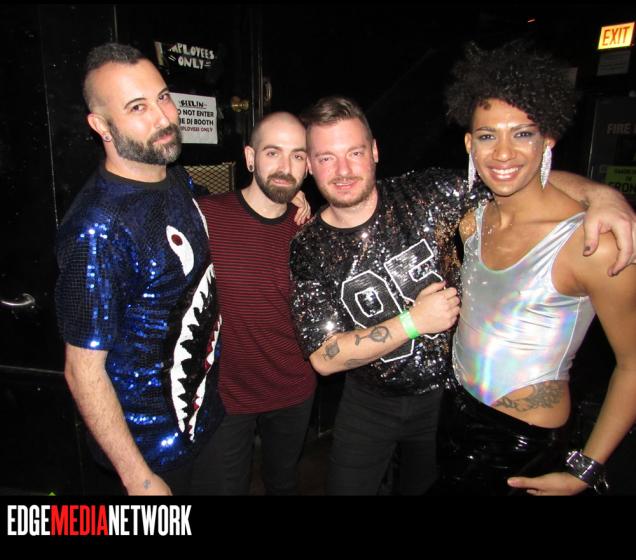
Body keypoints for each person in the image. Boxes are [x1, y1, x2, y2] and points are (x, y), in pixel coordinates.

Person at [290, 95, 636, 495]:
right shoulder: (309, 245)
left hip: (444, 400)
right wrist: (414, 322)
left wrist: (601, 195)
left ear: (375, 151)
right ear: (310, 164)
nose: (343, 170)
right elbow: (323, 358)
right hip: (369, 402)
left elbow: (512, 176)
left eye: (354, 152)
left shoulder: (428, 193)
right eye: (327, 158)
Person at [434, 40, 636, 496]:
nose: (503, 153)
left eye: (522, 134)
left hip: (522, 444)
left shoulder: (594, 245)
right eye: (488, 136)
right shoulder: (472, 222)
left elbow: (633, 364)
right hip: (454, 415)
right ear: (469, 144)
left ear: (548, 140)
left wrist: (586, 469)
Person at [55, 43, 224, 495]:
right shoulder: (98, 230)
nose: (164, 117)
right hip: (150, 456)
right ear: (101, 126)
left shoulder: (174, 177)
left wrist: (285, 197)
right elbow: (82, 371)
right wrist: (139, 478)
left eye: (163, 97)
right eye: (137, 107)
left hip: (204, 422)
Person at [196, 112, 316, 495]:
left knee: (283, 483)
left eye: (298, 155)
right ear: (250, 158)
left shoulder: (311, 230)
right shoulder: (206, 215)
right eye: (272, 152)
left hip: (294, 389)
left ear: (309, 165)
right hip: (227, 395)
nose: (285, 167)